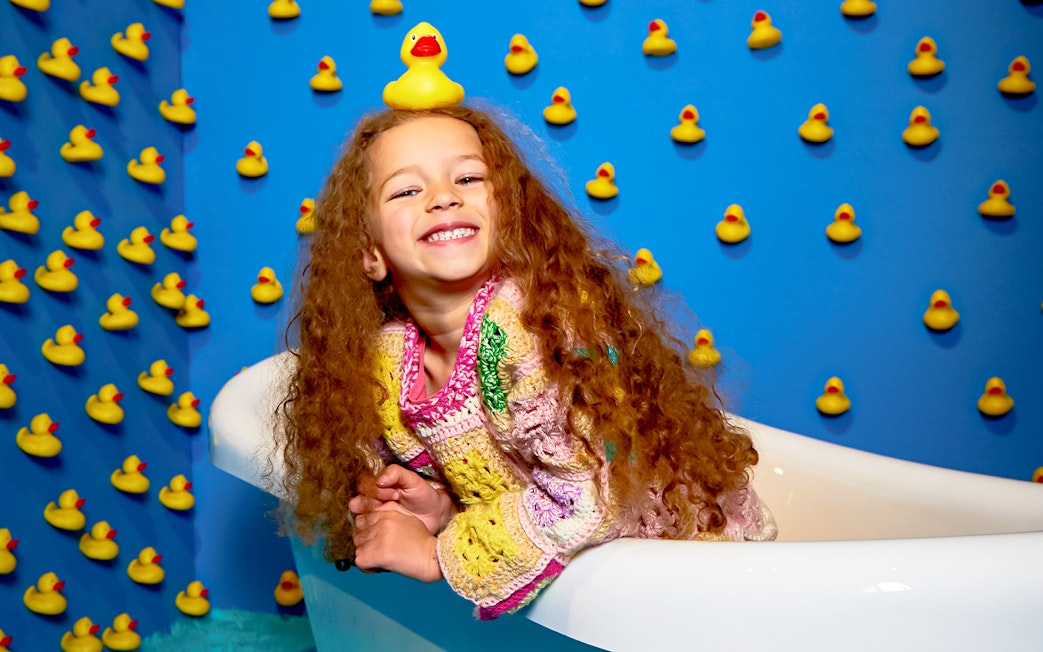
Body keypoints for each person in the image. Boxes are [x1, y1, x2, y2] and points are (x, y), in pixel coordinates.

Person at [276, 103, 776, 620]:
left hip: (703, 574)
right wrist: (442, 504)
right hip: (607, 597)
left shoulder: (532, 329)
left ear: (509, 213)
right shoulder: (393, 361)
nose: (444, 197)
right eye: (407, 190)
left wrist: (436, 553)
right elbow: (508, 471)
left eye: (468, 178)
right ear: (369, 253)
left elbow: (587, 496)